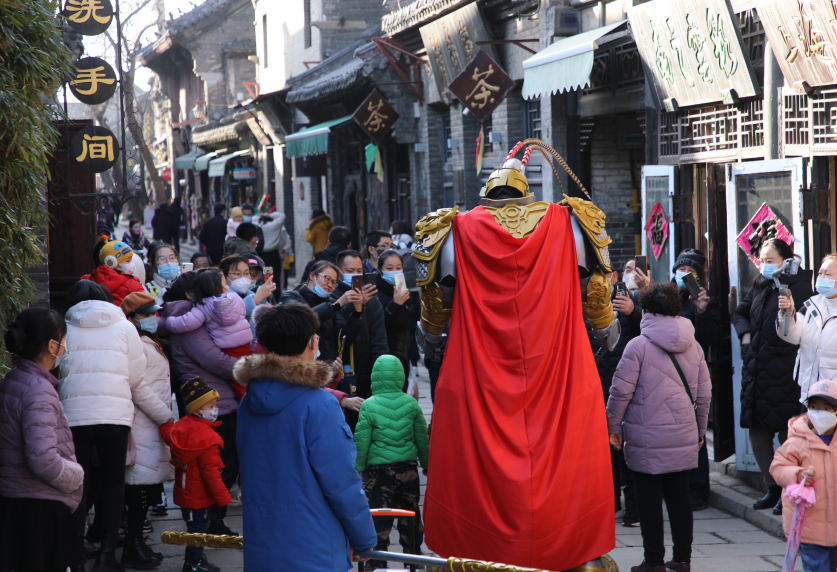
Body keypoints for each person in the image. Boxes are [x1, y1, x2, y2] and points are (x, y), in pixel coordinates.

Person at [414, 142, 621, 571]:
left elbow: (434, 309)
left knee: (476, 469)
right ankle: (574, 552)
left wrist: (430, 345)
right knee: (567, 463)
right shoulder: (573, 220)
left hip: (478, 369)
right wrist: (606, 333)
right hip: (560, 365)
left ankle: (482, 552)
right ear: (528, 191)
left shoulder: (450, 229)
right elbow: (599, 293)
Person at [234, 303, 377, 571]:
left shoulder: (249, 401)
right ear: (312, 342)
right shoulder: (320, 404)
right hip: (315, 545)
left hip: (263, 543)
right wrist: (364, 538)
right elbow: (341, 483)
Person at [59, 280, 172, 572]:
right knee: (113, 482)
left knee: (78, 484)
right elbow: (135, 379)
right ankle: (107, 556)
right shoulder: (124, 327)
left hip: (74, 417)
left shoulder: (63, 327)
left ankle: (75, 558)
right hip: (115, 417)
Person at [607, 281, 712, 572]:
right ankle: (682, 560)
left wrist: (613, 427)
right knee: (680, 499)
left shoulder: (638, 346)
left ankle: (653, 562)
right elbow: (704, 394)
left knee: (649, 501)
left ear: (646, 310)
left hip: (646, 437)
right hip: (683, 434)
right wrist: (700, 431)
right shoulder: (694, 345)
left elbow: (620, 392)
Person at [0, 308, 85, 572]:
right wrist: (75, 476)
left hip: (16, 502)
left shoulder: (14, 379)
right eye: (63, 339)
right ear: (51, 345)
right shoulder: (38, 390)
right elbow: (43, 459)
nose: (65, 346)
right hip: (40, 508)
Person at [733, 238, 814, 515]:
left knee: (785, 431)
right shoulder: (761, 284)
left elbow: (801, 327)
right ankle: (772, 486)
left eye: (770, 260)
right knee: (757, 429)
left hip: (785, 370)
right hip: (757, 369)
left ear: (786, 260)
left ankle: (787, 488)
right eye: (762, 260)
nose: (764, 265)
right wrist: (745, 334)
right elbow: (741, 312)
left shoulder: (799, 286)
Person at [162, 273, 242, 533]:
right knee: (220, 465)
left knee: (220, 464)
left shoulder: (186, 319)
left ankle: (210, 520)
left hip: (214, 398)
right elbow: (215, 360)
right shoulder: (189, 325)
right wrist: (249, 368)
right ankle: (211, 521)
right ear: (190, 294)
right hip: (212, 402)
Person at [354, 355, 430, 570]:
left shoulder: (369, 405)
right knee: (410, 516)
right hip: (408, 470)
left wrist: (359, 467)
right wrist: (427, 464)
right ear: (400, 377)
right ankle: (414, 560)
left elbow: (362, 441)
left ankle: (376, 562)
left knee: (378, 518)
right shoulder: (411, 404)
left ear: (375, 377)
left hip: (379, 473)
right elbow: (422, 439)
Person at [665, 248, 723, 511]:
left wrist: (701, 311)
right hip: (665, 373)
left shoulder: (707, 301)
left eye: (690, 271)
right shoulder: (664, 298)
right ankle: (673, 487)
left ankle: (697, 490)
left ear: (699, 277)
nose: (684, 274)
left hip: (693, 375)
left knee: (694, 432)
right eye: (681, 270)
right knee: (667, 432)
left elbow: (708, 339)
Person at [120, 292, 173, 570]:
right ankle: (133, 545)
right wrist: (165, 415)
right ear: (131, 319)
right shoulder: (137, 344)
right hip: (144, 423)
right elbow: (138, 387)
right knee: (139, 489)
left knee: (145, 487)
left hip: (151, 424)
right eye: (147, 314)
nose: (154, 317)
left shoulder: (147, 341)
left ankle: (137, 543)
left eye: (154, 312)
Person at [589, 266, 642, 527]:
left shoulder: (631, 302)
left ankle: (634, 510)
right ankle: (609, 505)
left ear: (614, 277)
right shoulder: (584, 305)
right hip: (596, 385)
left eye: (603, 275)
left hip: (627, 387)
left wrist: (633, 311)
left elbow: (651, 331)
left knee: (627, 449)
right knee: (603, 453)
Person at [160, 379, 231, 572]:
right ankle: (193, 563)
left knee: (194, 527)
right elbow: (211, 473)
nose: (215, 410)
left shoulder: (183, 426)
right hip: (199, 496)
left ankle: (197, 558)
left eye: (215, 405)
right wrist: (223, 498)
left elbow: (169, 435)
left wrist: (165, 426)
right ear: (198, 410)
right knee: (197, 530)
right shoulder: (209, 438)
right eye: (210, 406)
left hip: (185, 492)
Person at [770, 379, 837, 572]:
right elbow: (778, 467)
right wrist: (797, 475)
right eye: (814, 407)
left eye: (827, 408)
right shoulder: (797, 440)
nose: (819, 412)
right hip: (809, 526)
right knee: (817, 567)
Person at [165, 268, 253, 400]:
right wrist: (252, 368)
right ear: (189, 294)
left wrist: (168, 321)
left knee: (240, 387)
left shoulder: (200, 309)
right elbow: (218, 362)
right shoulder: (234, 298)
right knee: (245, 387)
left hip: (213, 387)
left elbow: (185, 323)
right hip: (244, 346)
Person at [332, 250, 387, 427]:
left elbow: (379, 340)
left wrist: (381, 374)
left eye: (359, 271)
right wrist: (356, 307)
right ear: (339, 272)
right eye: (350, 271)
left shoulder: (373, 301)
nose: (355, 275)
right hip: (341, 375)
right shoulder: (334, 298)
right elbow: (341, 336)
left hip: (367, 376)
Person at [778, 254, 837, 403]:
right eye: (820, 273)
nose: (821, 277)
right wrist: (788, 314)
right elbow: (792, 336)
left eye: (828, 274)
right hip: (809, 394)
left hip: (832, 399)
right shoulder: (811, 305)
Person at [280, 260, 362, 365]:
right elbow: (299, 322)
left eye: (334, 282)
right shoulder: (290, 296)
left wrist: (357, 313)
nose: (330, 285)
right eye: (327, 279)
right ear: (312, 275)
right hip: (299, 367)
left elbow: (343, 339)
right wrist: (336, 305)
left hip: (326, 369)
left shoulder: (332, 303)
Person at [375, 250, 412, 382]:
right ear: (380, 270)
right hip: (386, 357)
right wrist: (395, 305)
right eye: (389, 268)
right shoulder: (375, 293)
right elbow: (379, 326)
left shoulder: (404, 291)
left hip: (404, 355)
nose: (395, 272)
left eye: (398, 268)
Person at [82, 239, 145, 306]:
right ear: (111, 263)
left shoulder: (86, 280)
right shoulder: (133, 283)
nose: (132, 264)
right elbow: (144, 305)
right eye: (128, 261)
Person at [219, 255, 275, 323]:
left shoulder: (250, 294)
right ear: (224, 276)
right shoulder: (220, 296)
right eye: (237, 273)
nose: (243, 277)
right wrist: (255, 299)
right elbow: (229, 315)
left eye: (247, 273)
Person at [258, 209, 290, 285]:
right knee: (275, 279)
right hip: (273, 254)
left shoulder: (258, 227)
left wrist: (261, 215)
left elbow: (253, 219)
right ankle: (275, 292)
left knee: (266, 279)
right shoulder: (274, 226)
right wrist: (269, 215)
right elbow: (281, 216)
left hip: (262, 255)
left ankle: (267, 291)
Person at [199, 204, 228, 269]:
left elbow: (202, 237)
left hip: (210, 249)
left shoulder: (207, 222)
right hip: (222, 250)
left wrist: (208, 244)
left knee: (211, 267)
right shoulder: (225, 222)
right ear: (223, 211)